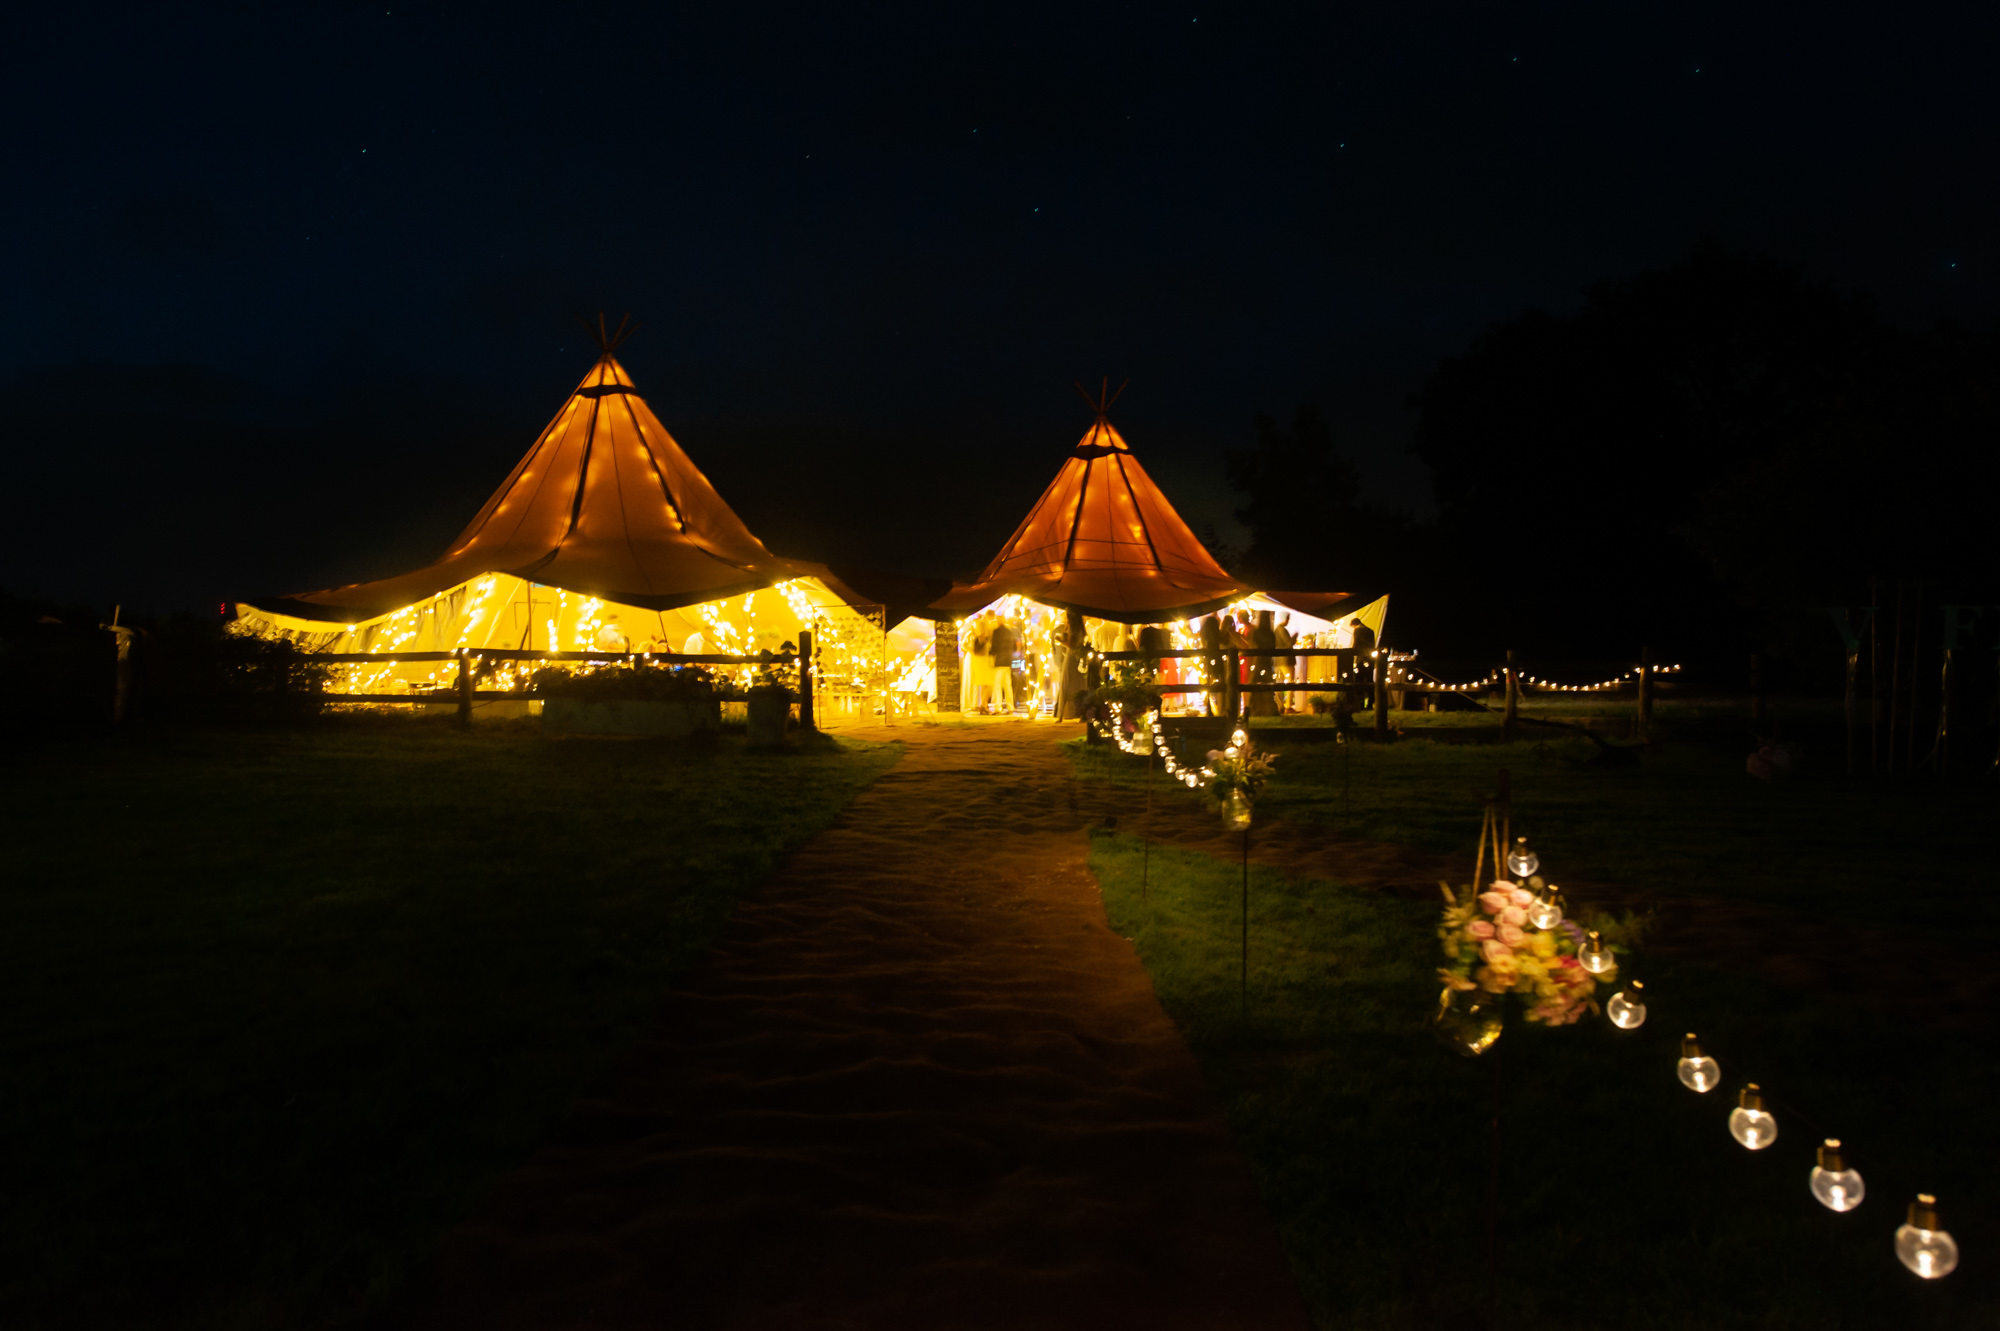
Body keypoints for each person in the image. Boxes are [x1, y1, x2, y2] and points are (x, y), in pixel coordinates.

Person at [988, 616, 1017, 714]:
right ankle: (1010, 707)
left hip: (999, 660)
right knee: (1008, 685)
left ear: (998, 621)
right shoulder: (1010, 632)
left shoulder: (996, 632)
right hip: (1008, 661)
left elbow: (994, 646)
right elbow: (1014, 647)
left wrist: (990, 653)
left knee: (997, 684)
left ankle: (998, 707)